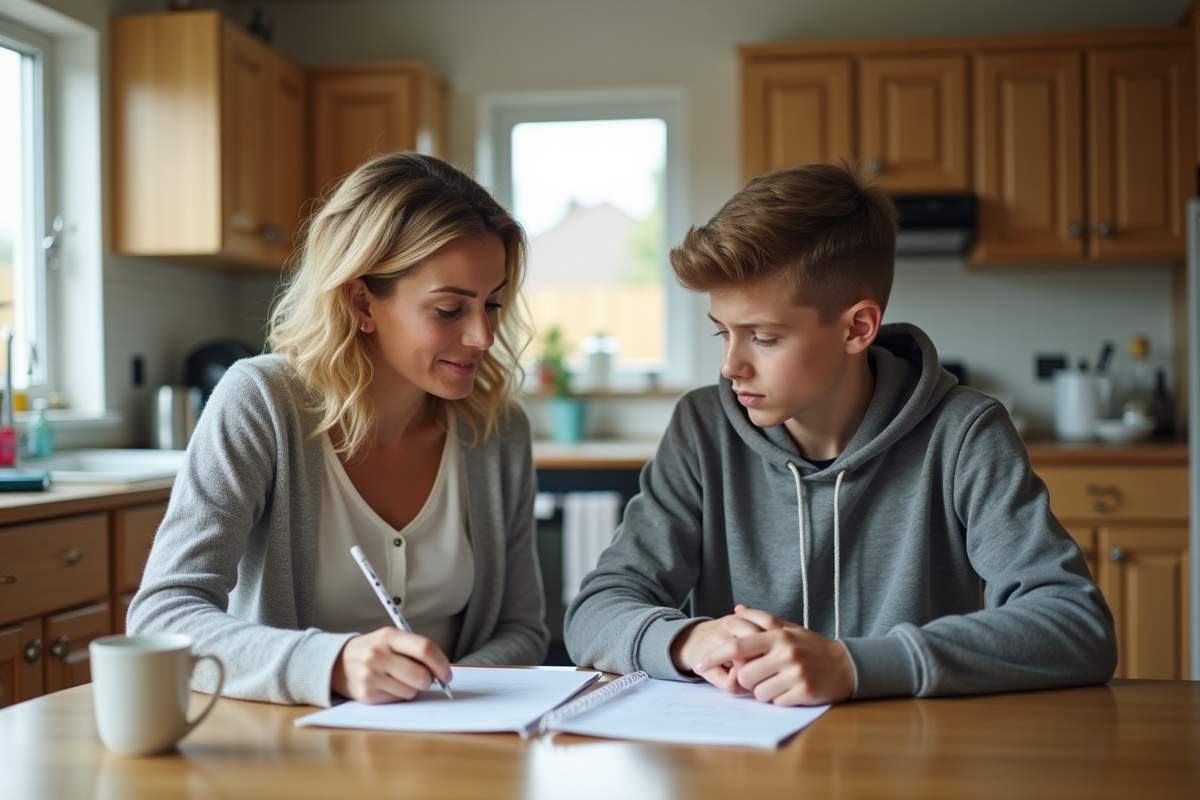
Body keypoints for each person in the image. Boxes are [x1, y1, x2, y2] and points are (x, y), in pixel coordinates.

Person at [563, 160, 1117, 706]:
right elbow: (594, 612)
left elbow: (1075, 626)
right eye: (722, 333)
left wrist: (852, 665)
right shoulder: (703, 427)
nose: (731, 365)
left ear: (857, 328)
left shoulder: (964, 434)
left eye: (763, 337)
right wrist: (687, 639)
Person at [129, 152, 549, 707]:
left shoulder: (497, 429)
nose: (482, 336)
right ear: (361, 302)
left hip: (458, 745)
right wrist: (330, 665)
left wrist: (440, 699)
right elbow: (162, 619)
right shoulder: (262, 403)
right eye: (450, 310)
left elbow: (522, 630)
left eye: (492, 304)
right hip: (289, 752)